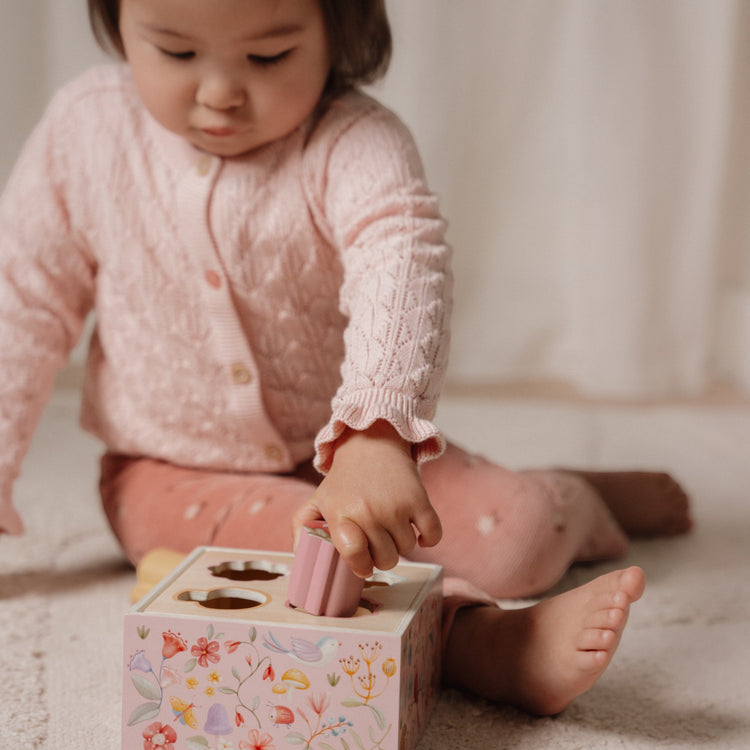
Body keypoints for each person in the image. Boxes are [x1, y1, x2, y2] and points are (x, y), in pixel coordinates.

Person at [0, 0, 690, 716]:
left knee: (515, 541)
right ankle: (477, 641)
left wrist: (376, 436)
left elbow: (402, 267)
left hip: (353, 450)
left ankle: (575, 498)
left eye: (267, 58)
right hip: (167, 473)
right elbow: (20, 302)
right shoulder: (83, 135)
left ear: (342, 32)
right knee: (307, 565)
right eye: (176, 53)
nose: (219, 93)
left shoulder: (355, 142)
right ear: (118, 25)